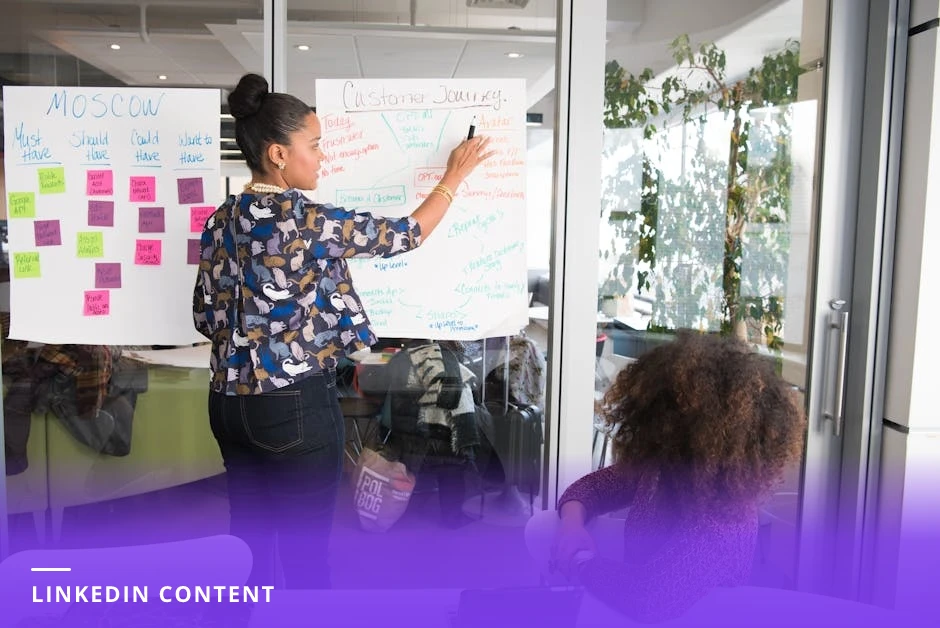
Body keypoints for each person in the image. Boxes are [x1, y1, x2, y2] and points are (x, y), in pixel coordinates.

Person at [192, 73, 494, 589]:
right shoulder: (303, 219)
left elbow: (203, 315)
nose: (322, 157)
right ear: (278, 154)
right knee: (308, 559)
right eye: (314, 146)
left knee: (244, 552)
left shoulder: (220, 220)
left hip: (227, 403)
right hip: (291, 407)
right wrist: (454, 176)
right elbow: (406, 234)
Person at [525, 331, 806, 623]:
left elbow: (649, 599)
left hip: (677, 616)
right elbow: (593, 487)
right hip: (637, 597)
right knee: (544, 527)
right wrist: (572, 527)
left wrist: (581, 565)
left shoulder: (727, 521)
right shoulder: (663, 467)